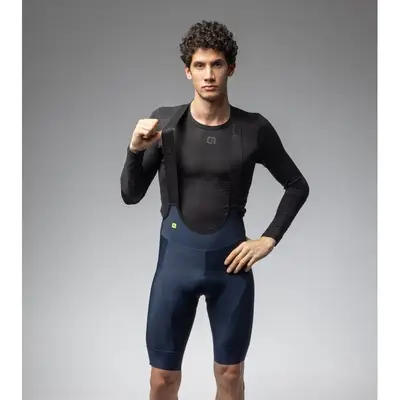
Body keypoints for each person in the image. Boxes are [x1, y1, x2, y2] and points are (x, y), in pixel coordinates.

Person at [120, 20, 310, 400]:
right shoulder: (167, 124)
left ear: (231, 68)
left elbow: (296, 185)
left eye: (217, 64)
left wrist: (268, 239)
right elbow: (131, 194)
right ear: (187, 71)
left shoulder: (253, 128)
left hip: (231, 270)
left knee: (230, 375)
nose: (209, 75)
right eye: (200, 65)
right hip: (175, 266)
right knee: (162, 379)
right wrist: (135, 150)